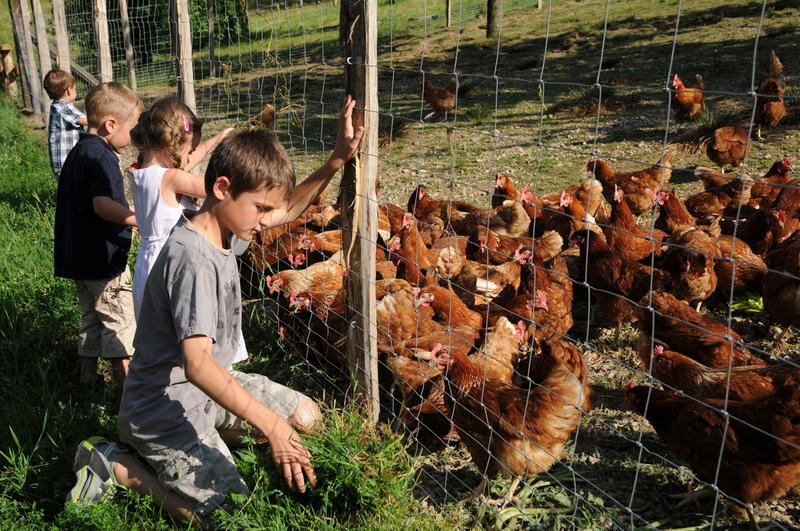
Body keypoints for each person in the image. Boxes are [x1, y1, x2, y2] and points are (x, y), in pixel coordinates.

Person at [67, 96, 364, 524]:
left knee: (307, 416)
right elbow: (198, 366)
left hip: (205, 395)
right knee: (232, 516)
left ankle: (223, 433)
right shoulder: (192, 259)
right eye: (259, 209)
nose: (266, 221)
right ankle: (120, 467)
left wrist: (335, 161)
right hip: (163, 410)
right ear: (222, 189)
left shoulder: (226, 227)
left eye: (266, 210)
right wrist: (271, 425)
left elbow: (285, 210)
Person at [128, 96, 246, 364]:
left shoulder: (140, 171)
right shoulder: (172, 178)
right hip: (176, 264)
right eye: (187, 150)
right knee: (189, 329)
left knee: (163, 341)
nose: (190, 156)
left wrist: (214, 142)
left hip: (148, 265)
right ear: (170, 148)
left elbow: (187, 162)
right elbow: (213, 188)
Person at [53, 81, 142, 385]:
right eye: (133, 129)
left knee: (91, 318)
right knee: (119, 320)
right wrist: (137, 218)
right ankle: (128, 388)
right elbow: (103, 205)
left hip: (79, 258)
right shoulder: (102, 158)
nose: (134, 138)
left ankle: (87, 381)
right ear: (111, 124)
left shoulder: (79, 152)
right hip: (103, 261)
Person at [44, 69, 88, 179]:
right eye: (75, 89)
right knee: (74, 192)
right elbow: (84, 120)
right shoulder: (63, 107)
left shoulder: (57, 106)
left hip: (62, 163)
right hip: (67, 164)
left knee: (69, 192)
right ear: (69, 90)